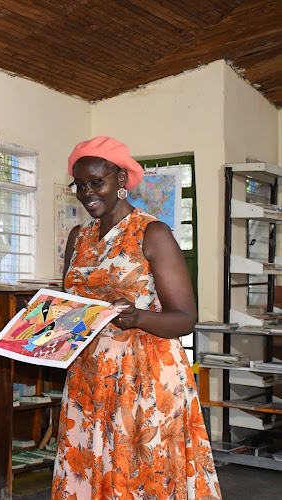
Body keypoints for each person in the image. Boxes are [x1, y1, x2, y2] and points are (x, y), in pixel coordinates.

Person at [53, 136, 221, 499]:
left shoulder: (152, 233)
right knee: (90, 467)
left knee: (142, 475)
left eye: (97, 182)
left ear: (121, 180)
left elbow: (185, 319)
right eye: (80, 185)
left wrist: (139, 317)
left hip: (144, 375)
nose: (87, 193)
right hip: (89, 375)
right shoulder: (76, 238)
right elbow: (69, 305)